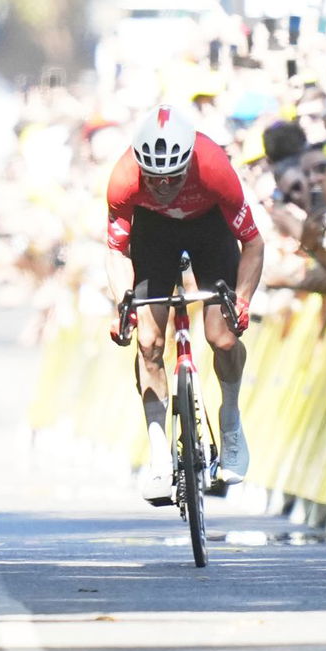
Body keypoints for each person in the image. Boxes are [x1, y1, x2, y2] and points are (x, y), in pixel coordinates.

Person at [106, 106, 264, 502]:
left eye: (173, 177)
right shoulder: (123, 179)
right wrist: (122, 305)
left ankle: (230, 420)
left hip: (209, 229)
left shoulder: (213, 167)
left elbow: (253, 243)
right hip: (154, 233)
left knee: (222, 337)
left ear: (188, 164)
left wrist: (242, 300)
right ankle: (160, 453)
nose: (163, 187)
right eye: (154, 179)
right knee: (148, 342)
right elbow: (116, 252)